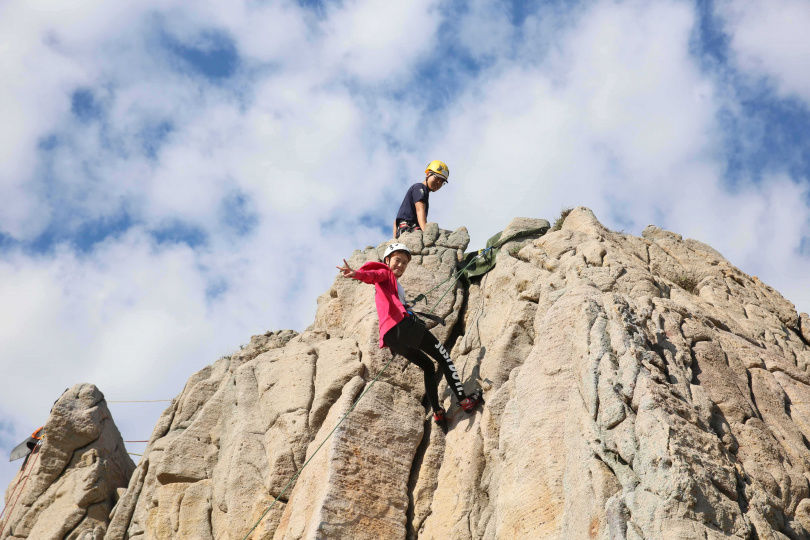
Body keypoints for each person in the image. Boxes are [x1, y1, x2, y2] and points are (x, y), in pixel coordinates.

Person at [337, 243, 481, 424]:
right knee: (444, 357)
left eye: (405, 263)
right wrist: (357, 274)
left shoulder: (393, 284)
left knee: (428, 366)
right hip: (403, 326)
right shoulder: (385, 273)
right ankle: (464, 401)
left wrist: (405, 306)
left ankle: (437, 412)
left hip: (392, 337)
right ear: (387, 260)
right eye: (397, 260)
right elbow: (373, 275)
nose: (401, 265)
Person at [393, 160, 449, 238]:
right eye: (437, 178)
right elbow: (420, 211)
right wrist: (427, 234)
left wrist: (395, 240)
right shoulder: (420, 188)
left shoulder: (420, 190)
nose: (438, 183)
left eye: (442, 182)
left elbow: (396, 221)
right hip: (410, 229)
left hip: (404, 230)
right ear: (428, 174)